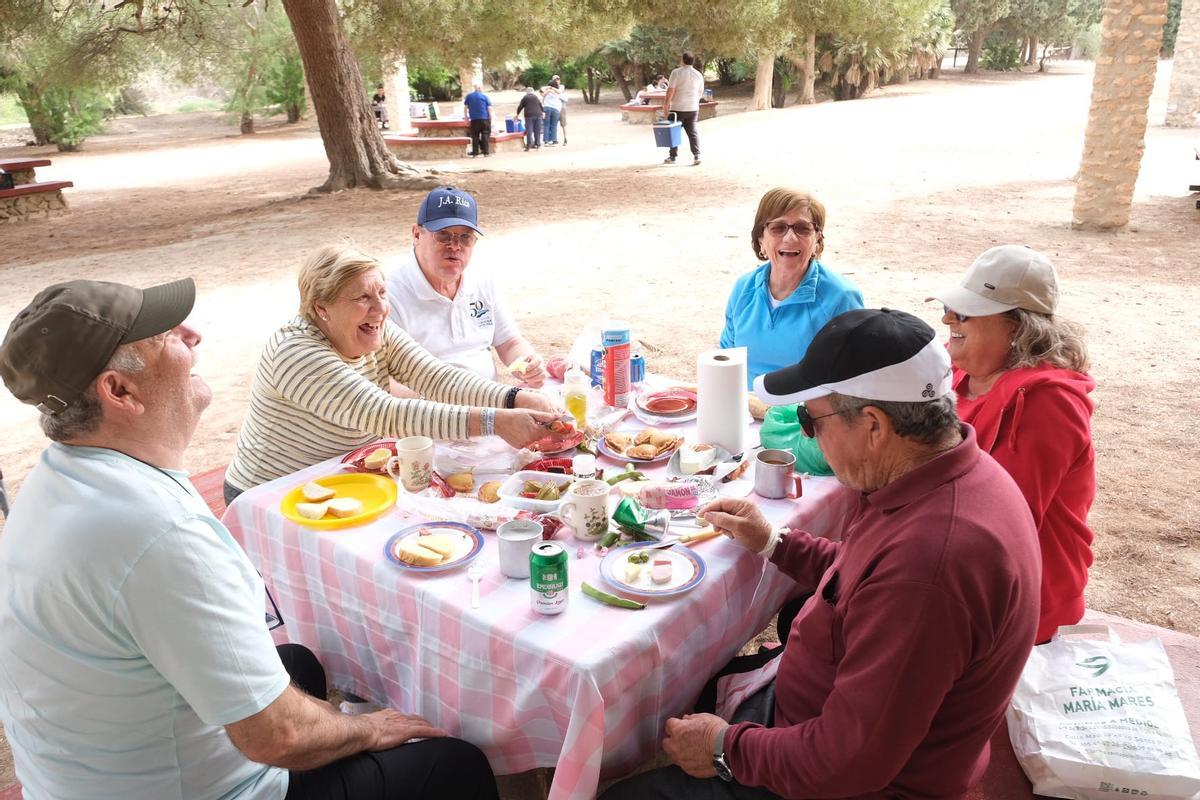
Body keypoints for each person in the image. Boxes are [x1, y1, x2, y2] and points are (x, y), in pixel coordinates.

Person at [0, 278, 501, 800]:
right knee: (453, 765)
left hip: (91, 773)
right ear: (119, 391)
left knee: (299, 663)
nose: (191, 335)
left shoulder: (58, 479)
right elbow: (278, 736)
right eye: (164, 334)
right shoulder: (157, 531)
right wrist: (370, 731)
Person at [601, 308, 1041, 800]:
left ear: (874, 426)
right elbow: (862, 575)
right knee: (687, 689)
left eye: (811, 420)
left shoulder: (929, 568)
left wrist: (726, 748)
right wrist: (773, 541)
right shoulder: (940, 475)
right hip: (825, 714)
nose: (807, 434)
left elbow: (848, 763)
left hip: (860, 784)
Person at [225, 237, 559, 503]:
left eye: (382, 293)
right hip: (271, 492)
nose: (381, 309)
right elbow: (386, 413)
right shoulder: (295, 352)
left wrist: (515, 397)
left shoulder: (375, 327)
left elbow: (435, 376)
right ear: (321, 308)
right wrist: (494, 421)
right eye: (362, 298)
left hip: (345, 474)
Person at [929, 244, 1095, 643]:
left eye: (965, 312)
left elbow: (999, 528)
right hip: (957, 569)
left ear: (1018, 327)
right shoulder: (963, 374)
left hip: (1015, 602)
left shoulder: (1046, 402)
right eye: (952, 307)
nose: (948, 318)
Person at [387, 186, 548, 387]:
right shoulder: (389, 294)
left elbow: (509, 343)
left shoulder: (482, 279)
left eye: (465, 237)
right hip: (429, 410)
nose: (455, 246)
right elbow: (385, 380)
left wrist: (526, 363)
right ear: (417, 234)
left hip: (489, 403)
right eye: (443, 235)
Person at [720, 187, 864, 385]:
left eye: (802, 228)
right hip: (745, 408)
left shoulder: (841, 298)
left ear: (817, 239)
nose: (790, 238)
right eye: (778, 228)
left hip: (806, 413)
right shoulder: (743, 288)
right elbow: (726, 358)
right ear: (761, 238)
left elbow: (851, 378)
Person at [662, 52, 705, 166]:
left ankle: (672, 156)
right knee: (692, 132)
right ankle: (697, 155)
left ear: (682, 60)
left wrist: (666, 105)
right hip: (692, 108)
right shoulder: (698, 74)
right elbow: (700, 92)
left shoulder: (676, 73)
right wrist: (694, 102)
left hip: (678, 107)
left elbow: (670, 90)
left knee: (674, 132)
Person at [463, 83, 492, 157]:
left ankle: (475, 154)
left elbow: (465, 108)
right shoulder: (484, 96)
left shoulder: (469, 96)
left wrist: (466, 118)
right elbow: (489, 109)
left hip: (474, 119)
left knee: (475, 136)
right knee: (485, 135)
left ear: (474, 88)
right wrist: (490, 118)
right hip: (484, 118)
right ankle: (486, 153)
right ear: (480, 88)